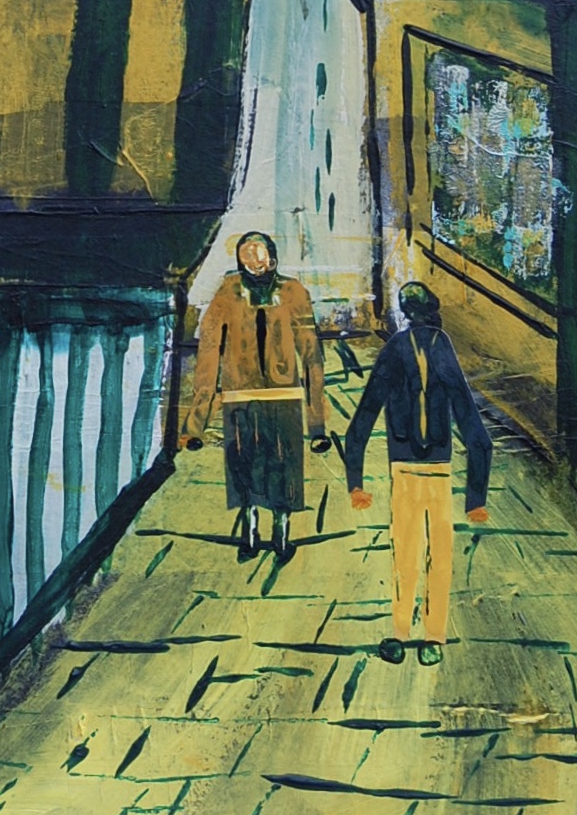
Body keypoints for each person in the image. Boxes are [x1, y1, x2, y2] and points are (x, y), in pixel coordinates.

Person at [344, 281, 492, 666]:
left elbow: (366, 411)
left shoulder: (398, 348)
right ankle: (432, 637)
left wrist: (356, 482)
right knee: (437, 554)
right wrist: (475, 498)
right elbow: (467, 414)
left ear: (406, 313)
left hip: (406, 466)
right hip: (435, 468)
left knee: (406, 553)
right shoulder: (439, 346)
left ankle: (401, 633)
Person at [181, 232, 328, 564]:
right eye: (247, 259)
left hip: (284, 396)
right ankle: (249, 532)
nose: (255, 266)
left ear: (273, 259)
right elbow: (208, 353)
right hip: (239, 397)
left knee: (284, 467)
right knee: (243, 466)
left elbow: (311, 355)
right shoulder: (227, 295)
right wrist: (196, 423)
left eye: (260, 258)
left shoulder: (293, 292)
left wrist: (317, 425)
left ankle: (281, 531)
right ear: (239, 262)